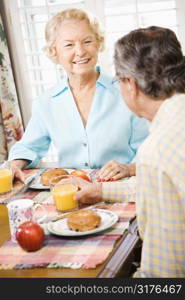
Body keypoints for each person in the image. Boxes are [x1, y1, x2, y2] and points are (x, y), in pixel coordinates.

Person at [67, 26, 185, 277]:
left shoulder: (157, 151)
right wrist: (101, 190)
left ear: (130, 84)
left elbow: (162, 276)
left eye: (118, 80)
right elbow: (167, 187)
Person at [8, 8, 148, 182]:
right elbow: (29, 147)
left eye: (87, 41)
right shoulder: (46, 102)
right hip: (72, 190)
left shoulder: (127, 91)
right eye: (69, 45)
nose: (80, 51)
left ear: (98, 43)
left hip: (120, 189)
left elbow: (149, 148)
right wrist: (15, 164)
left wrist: (129, 168)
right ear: (54, 52)